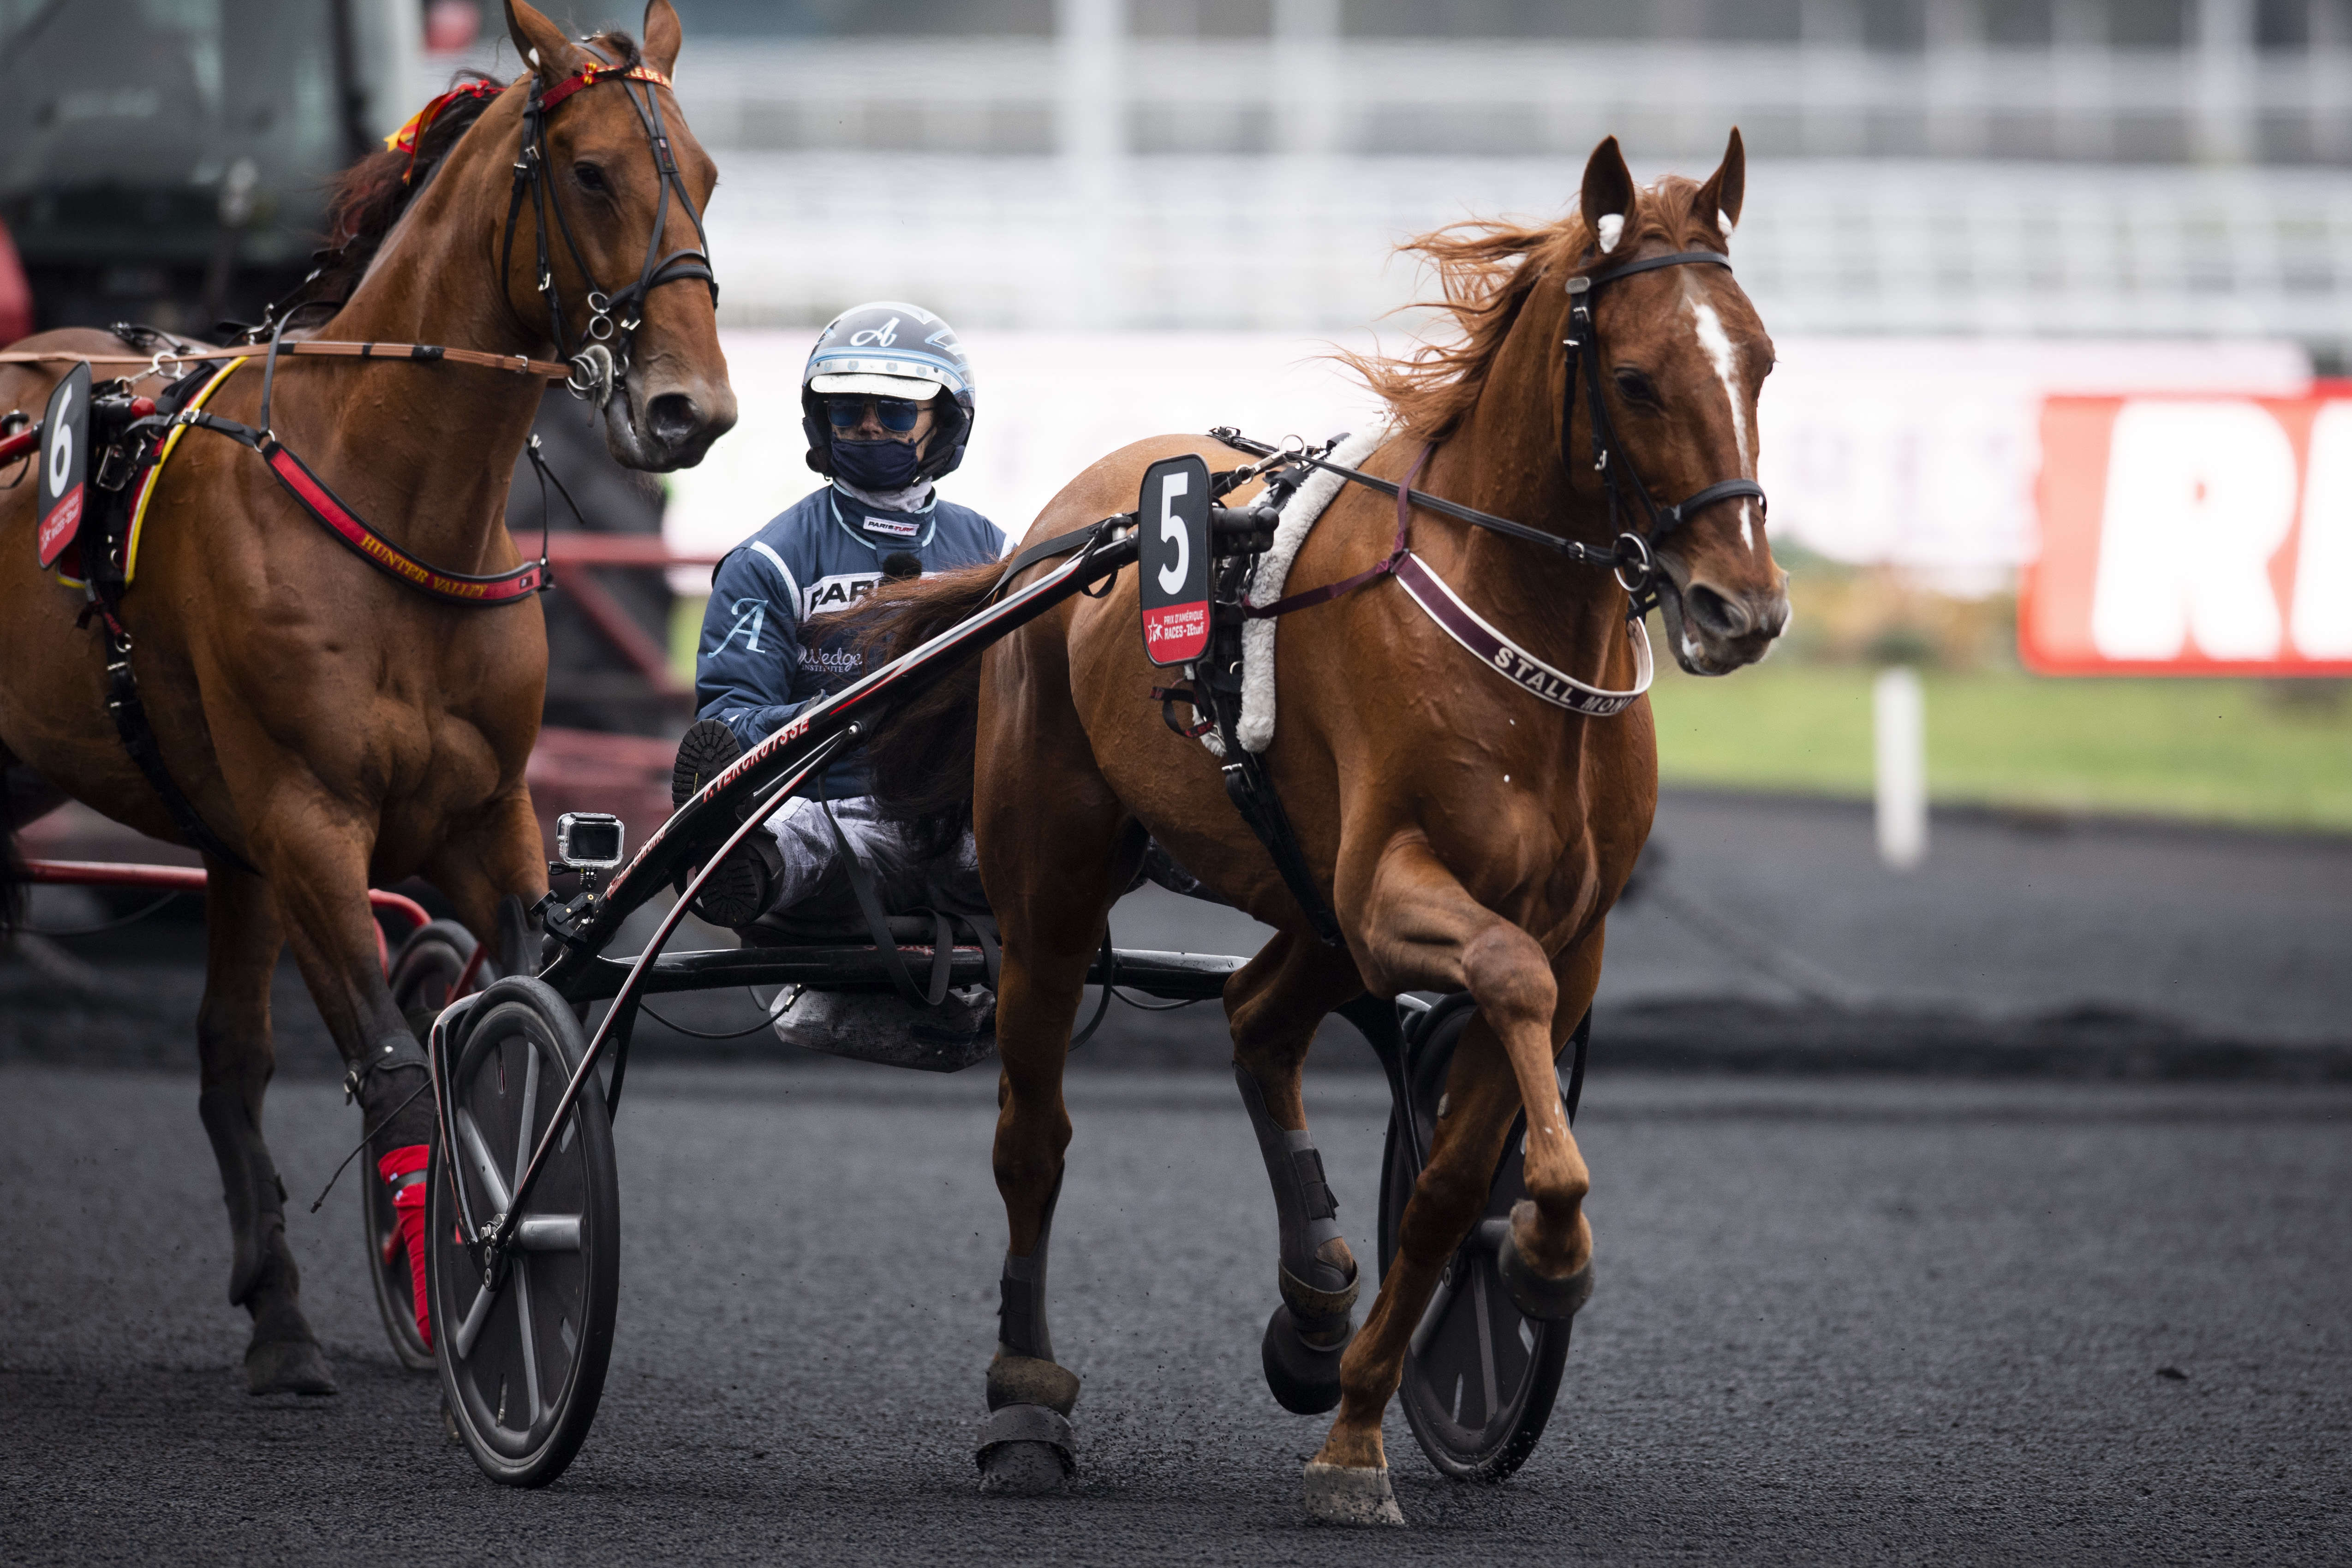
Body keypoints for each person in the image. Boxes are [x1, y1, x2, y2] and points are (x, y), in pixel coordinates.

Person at [673, 301, 1006, 940]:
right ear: (821, 420)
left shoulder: (997, 552)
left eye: (897, 411)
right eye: (848, 410)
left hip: (963, 821)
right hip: (829, 818)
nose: (870, 428)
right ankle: (749, 867)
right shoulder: (768, 561)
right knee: (800, 842)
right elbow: (726, 725)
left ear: (946, 421)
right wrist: (840, 714)